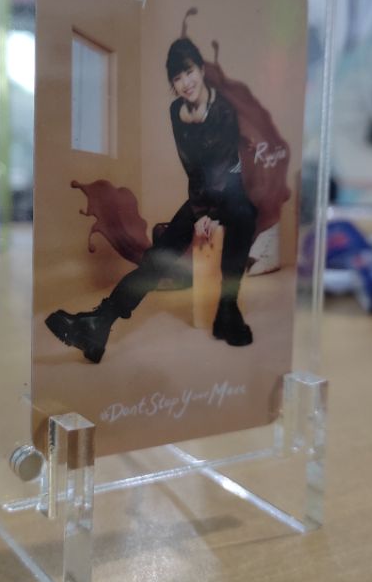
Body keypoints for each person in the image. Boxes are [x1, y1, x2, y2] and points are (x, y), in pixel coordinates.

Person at [45, 36, 258, 363]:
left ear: (201, 70)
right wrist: (200, 210)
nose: (185, 83)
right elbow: (192, 166)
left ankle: (227, 311)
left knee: (244, 215)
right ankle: (101, 322)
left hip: (231, 190)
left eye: (189, 72)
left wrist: (208, 213)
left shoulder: (224, 110)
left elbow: (220, 168)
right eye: (177, 77)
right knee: (158, 256)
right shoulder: (176, 111)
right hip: (202, 193)